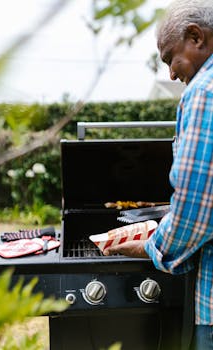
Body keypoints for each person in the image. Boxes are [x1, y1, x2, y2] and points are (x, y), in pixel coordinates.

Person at [103, 1, 213, 349]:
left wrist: (151, 247)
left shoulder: (204, 92)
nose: (170, 74)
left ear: (195, 37)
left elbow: (195, 213)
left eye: (170, 58)